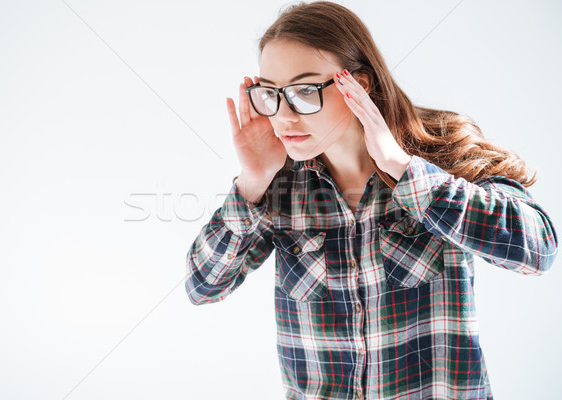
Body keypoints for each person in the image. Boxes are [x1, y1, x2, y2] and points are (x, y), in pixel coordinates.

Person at [184, 1, 558, 399]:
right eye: (271, 94)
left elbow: (537, 250)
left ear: (359, 84)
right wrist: (252, 180)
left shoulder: (440, 148)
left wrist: (403, 169)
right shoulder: (276, 183)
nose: (284, 116)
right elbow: (203, 286)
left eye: (305, 91)